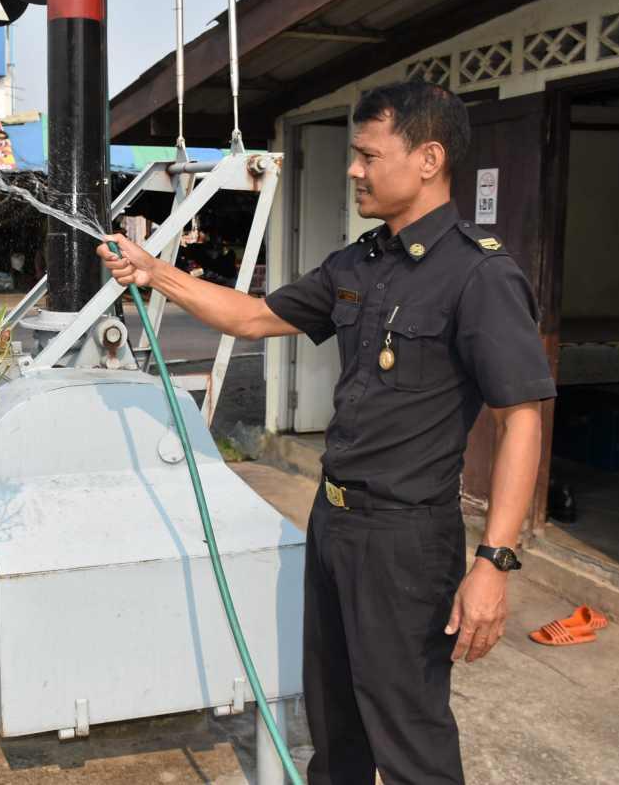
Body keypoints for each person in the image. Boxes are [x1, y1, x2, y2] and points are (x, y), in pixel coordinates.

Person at [98, 81, 554, 785]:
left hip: (406, 539)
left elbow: (520, 416)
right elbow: (254, 317)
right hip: (334, 522)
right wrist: (156, 272)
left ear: (428, 159)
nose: (353, 169)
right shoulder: (359, 263)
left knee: (408, 736)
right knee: (334, 725)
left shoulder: (479, 275)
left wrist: (494, 561)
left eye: (369, 155)